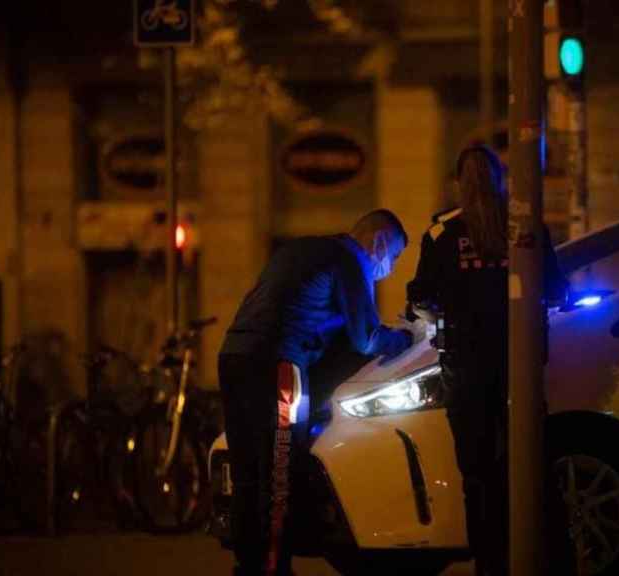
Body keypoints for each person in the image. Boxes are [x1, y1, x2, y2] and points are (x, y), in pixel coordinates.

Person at [218, 209, 415, 576]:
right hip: (277, 365)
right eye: (395, 256)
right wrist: (405, 339)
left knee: (247, 474)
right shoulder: (350, 261)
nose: (389, 267)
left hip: (233, 357)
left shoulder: (301, 250)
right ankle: (274, 568)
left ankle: (248, 566)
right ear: (379, 242)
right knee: (278, 476)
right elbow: (366, 338)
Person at [407, 145, 567, 575]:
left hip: (466, 364)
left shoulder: (441, 233)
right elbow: (557, 291)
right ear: (501, 178)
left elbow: (421, 298)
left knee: (476, 471)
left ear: (458, 182)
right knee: (530, 461)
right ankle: (547, 557)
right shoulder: (527, 228)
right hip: (521, 363)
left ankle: (490, 563)